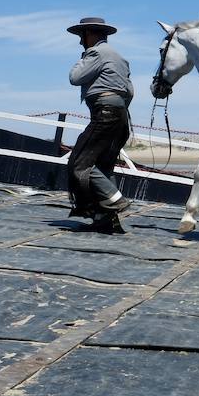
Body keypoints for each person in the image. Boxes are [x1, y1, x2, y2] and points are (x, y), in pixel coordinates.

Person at [66, 16, 135, 234]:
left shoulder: (96, 53)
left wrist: (83, 58)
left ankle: (116, 200)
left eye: (82, 36)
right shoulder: (121, 59)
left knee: (79, 163)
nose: (80, 42)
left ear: (91, 34)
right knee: (103, 166)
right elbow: (130, 91)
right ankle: (105, 219)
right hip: (121, 117)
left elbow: (75, 77)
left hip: (104, 114)